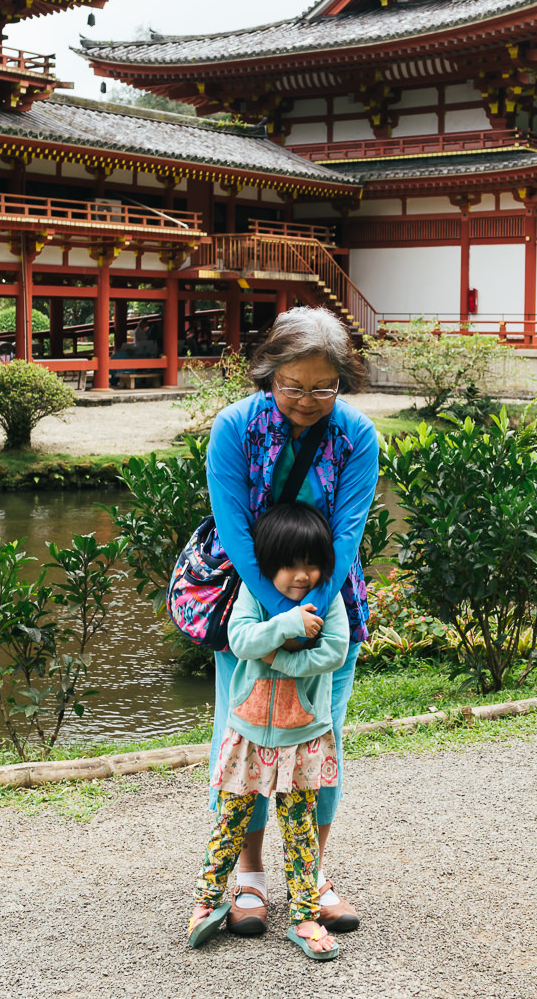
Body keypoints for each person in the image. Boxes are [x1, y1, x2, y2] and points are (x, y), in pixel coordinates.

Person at [205, 306, 377, 936]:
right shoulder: (234, 428)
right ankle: (247, 874)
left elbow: (351, 532)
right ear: (267, 374)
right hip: (249, 606)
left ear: (344, 381)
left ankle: (313, 875)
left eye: (323, 388)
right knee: (244, 743)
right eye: (292, 386)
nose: (307, 401)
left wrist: (313, 616)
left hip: (331, 608)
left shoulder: (357, 435)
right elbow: (232, 530)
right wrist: (280, 620)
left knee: (320, 742)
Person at [188, 502, 346, 961]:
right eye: (289, 565)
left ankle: (305, 916)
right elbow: (242, 641)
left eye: (311, 563)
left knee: (298, 829)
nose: (302, 575)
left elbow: (335, 650)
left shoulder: (328, 597)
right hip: (248, 735)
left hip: (303, 738)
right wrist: (287, 625)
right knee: (229, 823)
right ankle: (205, 903)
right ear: (266, 565)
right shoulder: (253, 596)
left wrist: (283, 659)